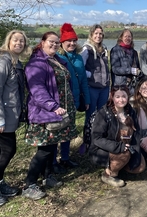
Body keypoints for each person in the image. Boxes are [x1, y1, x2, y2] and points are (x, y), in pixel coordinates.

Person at [22, 31, 78, 200]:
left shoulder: (56, 60)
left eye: (57, 43)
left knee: (52, 146)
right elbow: (37, 90)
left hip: (59, 113)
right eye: (51, 42)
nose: (54, 45)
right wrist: (53, 107)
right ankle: (29, 184)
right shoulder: (36, 63)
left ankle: (47, 177)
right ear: (43, 42)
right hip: (46, 113)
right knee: (44, 150)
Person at [0, 30, 30, 206]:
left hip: (11, 115)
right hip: (1, 117)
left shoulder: (15, 63)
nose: (19, 43)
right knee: (9, 150)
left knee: (3, 151)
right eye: (15, 40)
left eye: (22, 41)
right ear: (8, 42)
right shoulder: (1, 62)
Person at [89, 85, 145, 187]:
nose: (121, 100)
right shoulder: (104, 113)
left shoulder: (130, 111)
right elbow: (96, 139)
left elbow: (137, 133)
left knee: (140, 167)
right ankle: (109, 174)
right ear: (112, 97)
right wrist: (119, 147)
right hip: (103, 149)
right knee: (124, 154)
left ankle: (120, 165)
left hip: (126, 146)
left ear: (128, 97)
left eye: (124, 96)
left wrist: (136, 152)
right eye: (117, 97)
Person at [53, 23, 90, 173]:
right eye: (69, 40)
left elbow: (83, 82)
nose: (72, 43)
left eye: (74, 40)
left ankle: (66, 158)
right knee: (56, 131)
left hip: (74, 100)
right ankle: (53, 161)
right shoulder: (57, 58)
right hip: (60, 101)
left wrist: (86, 100)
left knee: (68, 130)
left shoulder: (79, 59)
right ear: (62, 42)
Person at [80, 24, 110, 124]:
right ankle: (88, 138)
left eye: (100, 34)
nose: (98, 36)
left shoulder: (104, 49)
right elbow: (80, 68)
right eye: (96, 33)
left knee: (102, 114)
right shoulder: (86, 49)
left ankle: (98, 137)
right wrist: (91, 75)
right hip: (92, 87)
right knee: (91, 114)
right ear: (91, 34)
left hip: (104, 88)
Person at [110, 28, 140, 96]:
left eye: (129, 36)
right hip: (119, 87)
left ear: (132, 38)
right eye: (125, 36)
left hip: (132, 88)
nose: (127, 38)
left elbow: (138, 68)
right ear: (121, 38)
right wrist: (131, 70)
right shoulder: (115, 50)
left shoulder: (134, 52)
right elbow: (115, 69)